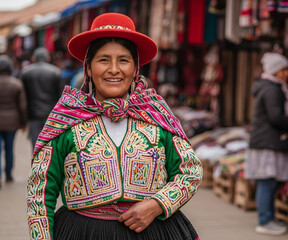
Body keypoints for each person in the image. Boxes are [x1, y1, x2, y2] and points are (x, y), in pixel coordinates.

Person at [26, 13, 202, 240]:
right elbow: (39, 194)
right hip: (84, 234)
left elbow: (191, 171)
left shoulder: (156, 116)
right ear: (88, 68)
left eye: (123, 60)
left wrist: (157, 204)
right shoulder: (66, 120)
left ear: (135, 68)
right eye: (103, 60)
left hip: (154, 232)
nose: (114, 69)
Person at [244, 52, 288, 235]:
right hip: (268, 143)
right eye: (283, 70)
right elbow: (276, 116)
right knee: (267, 182)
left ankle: (268, 217)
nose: (286, 74)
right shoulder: (272, 89)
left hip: (267, 142)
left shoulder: (269, 87)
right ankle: (265, 220)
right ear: (275, 70)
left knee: (268, 181)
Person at [21, 47, 63, 148]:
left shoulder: (26, 72)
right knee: (51, 147)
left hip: (33, 115)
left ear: (34, 58)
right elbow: (61, 96)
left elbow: (23, 98)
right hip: (51, 115)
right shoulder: (55, 72)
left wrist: (24, 119)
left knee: (35, 146)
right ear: (48, 58)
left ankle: (36, 163)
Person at [0, 55, 27, 186]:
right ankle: (9, 174)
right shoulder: (16, 83)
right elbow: (22, 106)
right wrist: (23, 123)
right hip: (12, 123)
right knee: (9, 148)